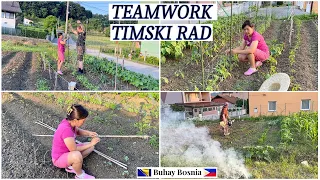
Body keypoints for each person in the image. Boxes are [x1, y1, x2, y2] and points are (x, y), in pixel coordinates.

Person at [51, 104, 100, 179]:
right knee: (77, 155)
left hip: (68, 152)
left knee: (91, 148)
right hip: (59, 159)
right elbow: (74, 149)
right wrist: (91, 143)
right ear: (75, 120)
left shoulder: (69, 122)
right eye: (83, 121)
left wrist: (89, 133)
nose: (84, 122)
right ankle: (80, 175)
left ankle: (71, 166)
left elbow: (77, 131)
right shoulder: (66, 130)